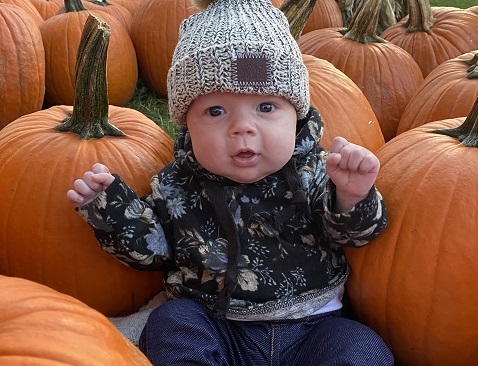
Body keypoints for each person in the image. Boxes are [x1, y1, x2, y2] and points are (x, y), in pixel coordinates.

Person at [67, 0, 394, 364]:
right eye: (216, 111)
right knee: (171, 323)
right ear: (186, 122)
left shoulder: (315, 171)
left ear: (296, 115)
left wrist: (352, 195)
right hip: (217, 322)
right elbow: (154, 251)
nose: (243, 127)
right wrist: (111, 207)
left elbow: (355, 235)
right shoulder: (176, 184)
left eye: (266, 107)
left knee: (360, 346)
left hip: (314, 326)